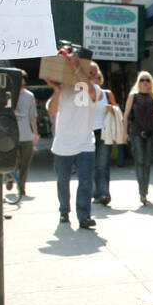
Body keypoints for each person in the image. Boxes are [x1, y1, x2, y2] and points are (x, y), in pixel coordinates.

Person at [47, 51, 99, 230]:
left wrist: (77, 67)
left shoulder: (94, 90)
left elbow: (90, 90)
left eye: (93, 73)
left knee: (85, 180)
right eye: (89, 72)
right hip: (63, 143)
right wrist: (56, 90)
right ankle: (64, 211)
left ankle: (84, 216)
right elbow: (52, 111)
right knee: (63, 180)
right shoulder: (63, 88)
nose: (91, 76)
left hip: (85, 142)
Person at [123, 70, 153, 206]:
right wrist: (124, 133)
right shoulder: (133, 96)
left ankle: (144, 190)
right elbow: (126, 115)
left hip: (150, 133)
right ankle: (142, 192)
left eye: (147, 80)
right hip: (136, 133)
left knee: (147, 162)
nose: (145, 82)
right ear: (138, 82)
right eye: (142, 80)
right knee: (139, 161)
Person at [5, 69, 38, 201]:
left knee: (25, 163)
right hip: (11, 134)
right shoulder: (8, 95)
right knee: (12, 161)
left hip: (26, 134)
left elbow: (33, 116)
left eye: (22, 78)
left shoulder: (29, 96)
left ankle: (21, 186)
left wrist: (35, 133)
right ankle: (10, 177)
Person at [89, 62, 116, 206]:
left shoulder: (106, 93)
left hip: (104, 132)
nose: (95, 79)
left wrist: (111, 109)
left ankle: (104, 193)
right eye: (92, 76)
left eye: (98, 76)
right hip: (87, 132)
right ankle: (95, 193)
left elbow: (117, 111)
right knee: (91, 164)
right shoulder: (82, 92)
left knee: (103, 165)